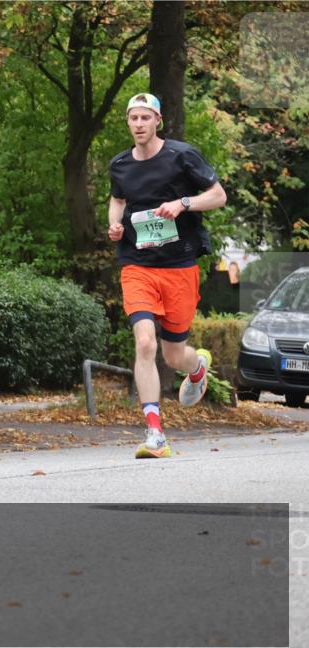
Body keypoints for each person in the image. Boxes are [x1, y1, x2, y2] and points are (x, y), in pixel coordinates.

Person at [108, 93, 228, 459]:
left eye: (146, 117)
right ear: (128, 122)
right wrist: (114, 224)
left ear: (158, 120)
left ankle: (197, 369)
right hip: (137, 264)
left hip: (179, 266)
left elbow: (219, 195)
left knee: (174, 355)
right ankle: (155, 434)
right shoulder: (120, 164)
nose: (139, 124)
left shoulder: (181, 156)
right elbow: (118, 199)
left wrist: (183, 204)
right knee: (145, 343)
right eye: (133, 118)